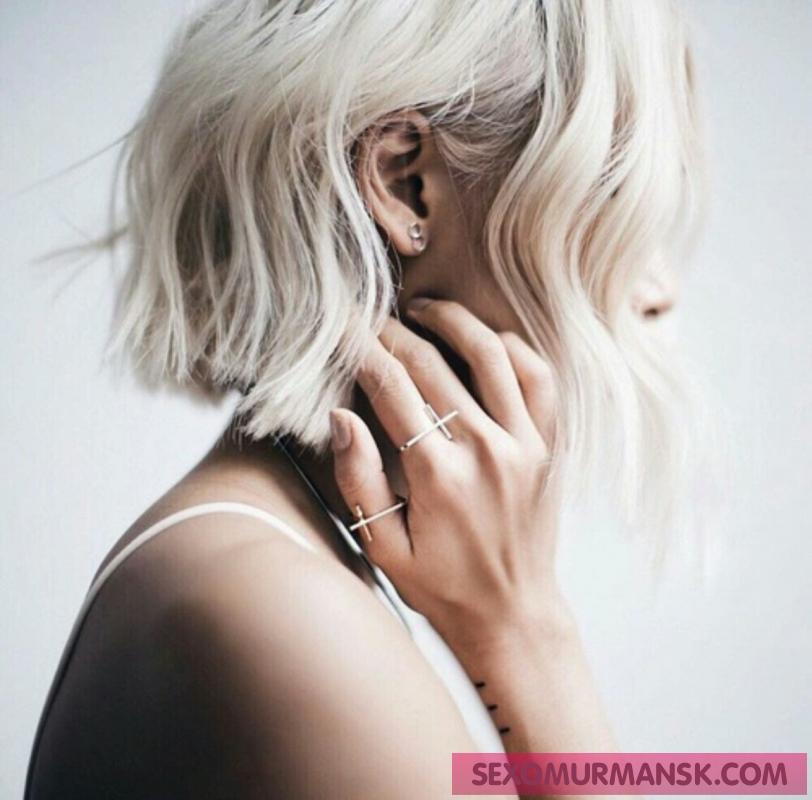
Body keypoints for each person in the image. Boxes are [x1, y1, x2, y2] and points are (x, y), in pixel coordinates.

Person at [25, 0, 703, 797]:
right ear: (404, 183)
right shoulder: (281, 615)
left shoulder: (266, 560)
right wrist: (526, 632)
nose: (659, 290)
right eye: (619, 198)